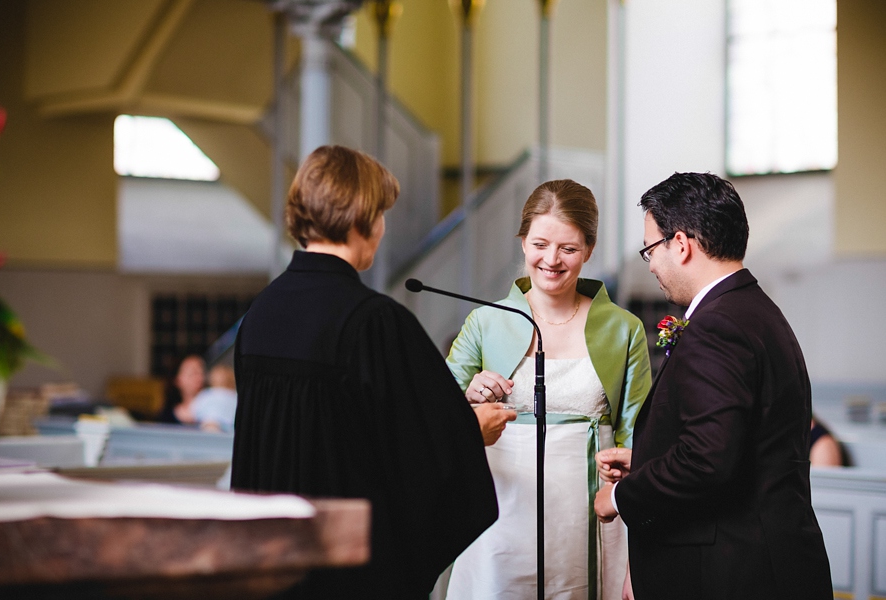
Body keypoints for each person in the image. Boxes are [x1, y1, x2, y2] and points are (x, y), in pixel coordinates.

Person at [230, 145, 511, 599]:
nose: (382, 228)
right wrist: (470, 430)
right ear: (361, 217)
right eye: (380, 213)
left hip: (271, 567)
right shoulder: (374, 322)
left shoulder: (262, 313)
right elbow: (420, 454)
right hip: (342, 571)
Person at [594, 172, 833, 600]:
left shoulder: (717, 324)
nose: (650, 265)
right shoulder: (756, 310)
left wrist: (622, 497)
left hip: (735, 572)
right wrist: (650, 458)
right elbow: (740, 443)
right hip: (771, 559)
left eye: (650, 250)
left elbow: (708, 458)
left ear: (681, 244)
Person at [444, 179, 652, 600]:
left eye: (569, 249)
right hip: (498, 516)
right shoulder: (485, 323)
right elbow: (434, 417)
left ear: (590, 250)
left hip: (590, 520)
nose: (552, 260)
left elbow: (640, 439)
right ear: (522, 242)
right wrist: (468, 397)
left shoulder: (624, 329)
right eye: (540, 244)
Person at [157, 354, 206, 424]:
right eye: (192, 373)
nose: (199, 378)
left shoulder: (213, 414)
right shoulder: (166, 417)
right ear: (177, 380)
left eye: (201, 373)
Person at [191, 363, 238, 432]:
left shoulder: (206, 394)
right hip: (229, 432)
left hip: (207, 426)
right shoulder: (235, 397)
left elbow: (194, 410)